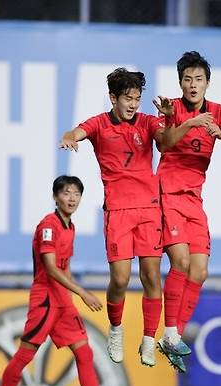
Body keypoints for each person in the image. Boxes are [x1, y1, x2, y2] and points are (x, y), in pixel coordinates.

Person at [0, 176, 131, 386]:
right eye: (66, 193)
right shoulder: (49, 226)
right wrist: (82, 293)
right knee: (25, 354)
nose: (72, 198)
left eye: (76, 193)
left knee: (84, 351)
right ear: (55, 196)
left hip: (62, 299)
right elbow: (51, 269)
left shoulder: (69, 226)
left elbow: (66, 267)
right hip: (45, 297)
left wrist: (73, 293)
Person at [59, 68, 164, 367]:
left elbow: (164, 138)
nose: (133, 104)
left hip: (149, 209)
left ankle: (148, 340)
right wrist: (69, 137)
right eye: (127, 98)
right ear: (113, 98)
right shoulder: (100, 124)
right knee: (119, 279)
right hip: (118, 211)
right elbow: (76, 132)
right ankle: (116, 329)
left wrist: (169, 123)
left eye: (137, 98)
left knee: (152, 276)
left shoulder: (147, 122)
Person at [153, 51, 221, 373]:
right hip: (166, 193)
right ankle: (173, 333)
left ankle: (172, 337)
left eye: (198, 79)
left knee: (200, 270)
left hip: (193, 199)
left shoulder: (219, 112)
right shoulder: (171, 109)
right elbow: (164, 144)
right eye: (187, 79)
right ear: (180, 83)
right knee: (181, 262)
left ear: (207, 83)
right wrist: (188, 122)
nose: (193, 85)